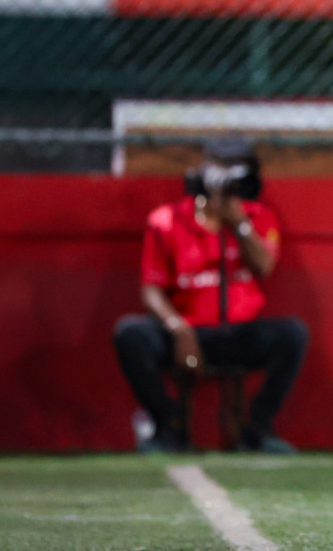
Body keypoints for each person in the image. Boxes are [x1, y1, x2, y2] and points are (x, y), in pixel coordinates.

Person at [112, 141, 308, 454]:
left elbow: (264, 266)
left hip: (237, 334)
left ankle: (257, 430)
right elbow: (151, 288)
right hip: (184, 332)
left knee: (292, 334)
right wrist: (177, 327)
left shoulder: (258, 216)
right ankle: (167, 427)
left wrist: (238, 224)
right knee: (131, 334)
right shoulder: (167, 219)